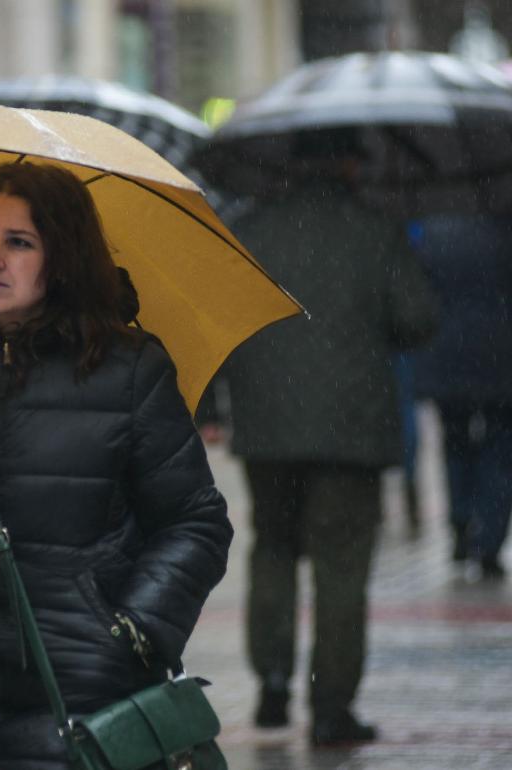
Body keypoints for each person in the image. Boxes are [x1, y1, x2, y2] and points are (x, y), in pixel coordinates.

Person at [0, 163, 232, 768]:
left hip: (90, 703)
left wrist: (133, 629)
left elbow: (195, 522)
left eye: (18, 242)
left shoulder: (127, 369)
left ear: (62, 257)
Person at [210, 128, 437, 746]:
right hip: (350, 430)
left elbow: (220, 322)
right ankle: (332, 708)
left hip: (269, 425)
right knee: (340, 567)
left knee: (274, 548)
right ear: (346, 165)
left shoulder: (250, 229)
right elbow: (417, 317)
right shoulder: (375, 230)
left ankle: (273, 685)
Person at [408, 212, 512, 579]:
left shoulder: (431, 232)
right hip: (501, 357)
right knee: (500, 450)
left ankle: (461, 525)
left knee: (455, 444)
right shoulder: (503, 228)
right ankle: (491, 539)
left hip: (446, 356)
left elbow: (415, 296)